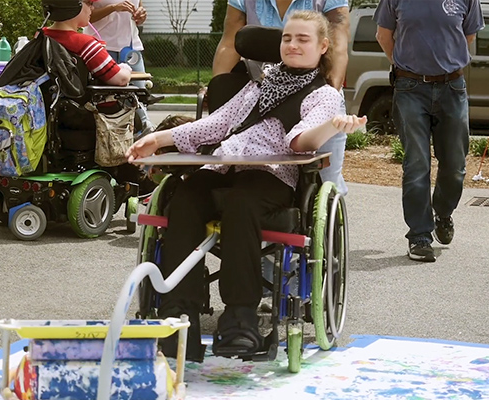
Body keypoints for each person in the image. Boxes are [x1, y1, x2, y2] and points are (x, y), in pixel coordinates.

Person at [127, 11, 366, 361]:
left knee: (241, 204)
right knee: (184, 199)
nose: (293, 45)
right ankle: (180, 316)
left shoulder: (324, 96)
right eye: (287, 38)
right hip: (226, 165)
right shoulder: (257, 85)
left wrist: (332, 126)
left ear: (323, 45)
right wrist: (159, 139)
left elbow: (301, 141)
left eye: (303, 39)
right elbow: (216, 125)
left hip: (270, 175)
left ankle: (240, 319)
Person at [374, 0, 484, 262]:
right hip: (410, 88)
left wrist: (443, 61)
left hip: (452, 87)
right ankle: (419, 236)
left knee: (455, 165)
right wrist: (404, 65)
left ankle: (443, 214)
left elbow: (468, 35)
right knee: (416, 163)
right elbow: (383, 35)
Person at [212, 0, 350, 195]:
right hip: (266, 88)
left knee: (326, 180)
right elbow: (229, 43)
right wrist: (218, 93)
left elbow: (339, 46)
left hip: (316, 90)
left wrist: (328, 96)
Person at [85, 0, 157, 136]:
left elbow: (139, 8)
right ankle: (112, 139)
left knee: (140, 94)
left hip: (131, 48)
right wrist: (113, 8)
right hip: (102, 48)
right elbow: (86, 16)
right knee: (108, 101)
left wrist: (141, 14)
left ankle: (143, 132)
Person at [41, 0, 132, 86]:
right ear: (74, 6)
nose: (92, 8)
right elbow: (120, 79)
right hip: (83, 100)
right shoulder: (85, 44)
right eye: (89, 3)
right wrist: (126, 69)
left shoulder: (41, 37)